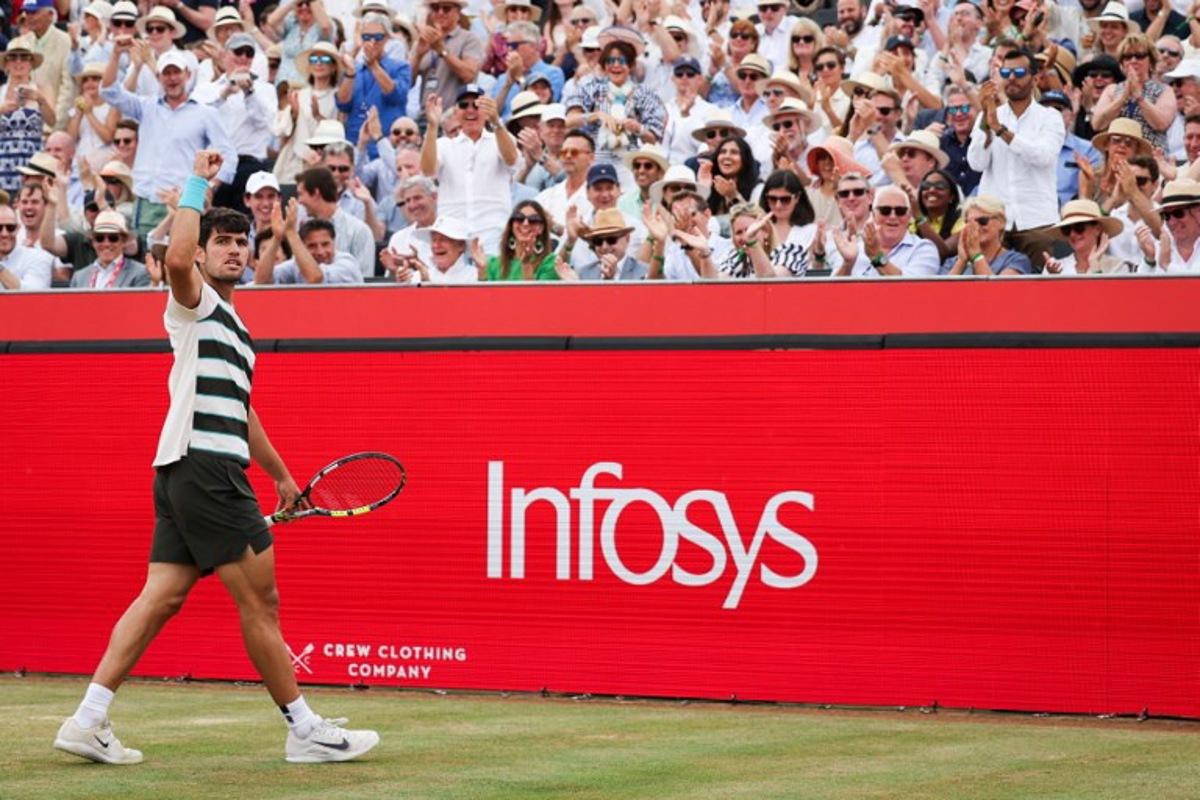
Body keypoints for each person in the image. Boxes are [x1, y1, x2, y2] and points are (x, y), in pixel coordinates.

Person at [52, 150, 379, 767]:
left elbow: (244, 413)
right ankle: (305, 730)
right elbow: (175, 257)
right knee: (262, 603)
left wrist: (280, 475)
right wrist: (197, 184)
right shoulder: (195, 302)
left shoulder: (234, 324)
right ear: (201, 253)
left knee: (161, 597)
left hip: (182, 472)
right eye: (221, 241)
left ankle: (87, 719)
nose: (233, 249)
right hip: (204, 469)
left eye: (240, 241)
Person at [100, 43, 237, 238]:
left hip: (183, 203)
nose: (172, 78)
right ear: (158, 77)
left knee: (180, 262)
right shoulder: (146, 107)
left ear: (187, 74)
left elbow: (228, 155)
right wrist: (115, 54)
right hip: (146, 201)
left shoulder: (205, 113)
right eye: (166, 73)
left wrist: (210, 186)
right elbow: (109, 92)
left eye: (176, 72)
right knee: (145, 263)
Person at [968, 48, 1064, 267]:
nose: (1011, 78)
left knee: (1040, 294)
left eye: (1019, 72)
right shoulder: (989, 116)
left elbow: (1043, 156)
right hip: (994, 224)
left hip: (1037, 223)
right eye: (1006, 73)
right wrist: (986, 124)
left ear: (1036, 78)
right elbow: (977, 163)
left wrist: (1001, 131)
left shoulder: (1050, 117)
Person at [421, 86, 518, 252]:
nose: (470, 110)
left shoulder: (500, 139)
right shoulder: (444, 145)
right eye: (464, 105)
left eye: (477, 105)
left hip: (493, 234)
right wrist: (432, 126)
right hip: (453, 237)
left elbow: (511, 159)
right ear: (456, 112)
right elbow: (428, 170)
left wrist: (496, 121)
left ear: (487, 110)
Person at [335, 13, 411, 158]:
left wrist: (374, 66)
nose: (372, 42)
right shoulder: (354, 69)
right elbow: (343, 104)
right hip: (356, 147)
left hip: (387, 150)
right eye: (366, 37)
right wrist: (350, 73)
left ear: (387, 38)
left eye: (378, 37)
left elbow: (395, 95)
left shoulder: (401, 67)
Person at [833, 184, 940, 277]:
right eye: (885, 210)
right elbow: (830, 294)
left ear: (909, 217)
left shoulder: (923, 249)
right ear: (873, 215)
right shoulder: (854, 248)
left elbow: (911, 290)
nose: (893, 216)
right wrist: (848, 264)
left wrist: (876, 257)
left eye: (900, 211)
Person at [273, 41, 341, 186]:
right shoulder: (299, 95)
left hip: (323, 160)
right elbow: (283, 133)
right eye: (314, 60)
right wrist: (295, 114)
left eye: (325, 59)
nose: (319, 64)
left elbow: (338, 130)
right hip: (294, 160)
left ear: (334, 66)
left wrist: (318, 116)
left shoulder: (337, 97)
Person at [295, 165, 377, 278]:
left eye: (301, 194)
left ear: (316, 193)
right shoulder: (302, 229)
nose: (299, 201)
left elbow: (365, 280)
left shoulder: (358, 231)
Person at [255, 199, 364, 284]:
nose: (320, 252)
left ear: (334, 243)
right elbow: (261, 282)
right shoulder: (295, 264)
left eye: (325, 244)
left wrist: (291, 233)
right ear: (302, 247)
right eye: (312, 246)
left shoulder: (347, 264)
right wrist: (277, 238)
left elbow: (315, 278)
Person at [410, 0, 485, 120]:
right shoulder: (424, 40)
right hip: (426, 117)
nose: (440, 12)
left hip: (456, 119)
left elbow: (469, 74)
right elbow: (408, 82)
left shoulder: (469, 39)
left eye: (446, 8)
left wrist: (442, 50)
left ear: (458, 12)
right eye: (435, 8)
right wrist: (418, 55)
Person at [0, 37, 53, 194]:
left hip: (33, 160)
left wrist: (40, 99)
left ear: (31, 63)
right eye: (13, 57)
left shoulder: (42, 88)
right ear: (7, 64)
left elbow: (52, 121)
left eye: (24, 57)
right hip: (3, 161)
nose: (19, 62)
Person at [941, 195, 1033, 276]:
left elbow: (998, 292)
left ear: (1001, 222)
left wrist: (977, 256)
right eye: (969, 223)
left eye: (982, 221)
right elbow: (939, 294)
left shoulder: (1016, 260)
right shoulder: (952, 262)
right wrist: (961, 262)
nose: (976, 227)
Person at [1042, 199, 1131, 275]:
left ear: (1097, 229)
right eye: (1067, 229)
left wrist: (1095, 267)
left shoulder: (1118, 267)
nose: (1072, 234)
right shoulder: (1054, 268)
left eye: (1079, 227)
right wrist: (1054, 280)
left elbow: (1107, 295)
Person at [478, 200, 559, 280]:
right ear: (511, 225)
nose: (525, 223)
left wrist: (526, 266)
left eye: (533, 219)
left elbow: (538, 293)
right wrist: (482, 272)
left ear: (541, 228)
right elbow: (485, 293)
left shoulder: (551, 263)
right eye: (519, 218)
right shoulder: (494, 264)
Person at [69, 210, 150, 288]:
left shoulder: (140, 273)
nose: (106, 244)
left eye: (113, 238)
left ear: (124, 241)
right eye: (99, 238)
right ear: (93, 242)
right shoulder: (79, 277)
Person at [263, 0, 335, 88]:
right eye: (300, 4)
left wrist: (314, 2)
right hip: (284, 87)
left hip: (309, 87)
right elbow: (271, 21)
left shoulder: (321, 29)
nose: (304, 7)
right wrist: (294, 2)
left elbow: (325, 26)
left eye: (308, 4)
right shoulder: (291, 26)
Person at [1138, 177, 1200, 272]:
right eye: (1166, 215)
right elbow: (1139, 286)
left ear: (1198, 212)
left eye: (1178, 213)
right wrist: (1149, 260)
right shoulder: (1159, 247)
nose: (1171, 222)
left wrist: (1167, 265)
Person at [570, 207, 647, 280]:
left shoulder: (644, 272)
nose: (604, 247)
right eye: (598, 241)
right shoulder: (584, 273)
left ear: (627, 238)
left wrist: (610, 280)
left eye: (611, 240)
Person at [0, 203, 56, 290]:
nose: (4, 234)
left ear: (17, 229)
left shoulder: (38, 257)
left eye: (10, 227)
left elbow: (32, 295)